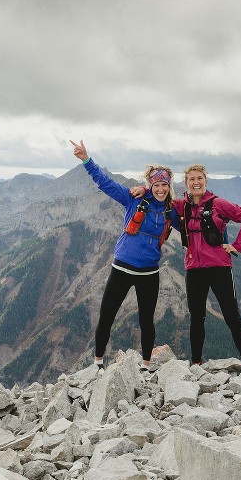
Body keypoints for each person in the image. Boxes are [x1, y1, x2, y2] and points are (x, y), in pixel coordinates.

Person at [70, 139, 178, 373]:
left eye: (164, 186)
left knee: (147, 321)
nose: (160, 190)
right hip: (122, 267)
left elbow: (193, 221)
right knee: (107, 314)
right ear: (150, 185)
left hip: (150, 272)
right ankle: (98, 363)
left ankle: (146, 367)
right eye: (156, 185)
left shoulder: (172, 210)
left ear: (170, 187)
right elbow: (106, 184)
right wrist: (87, 160)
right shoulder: (134, 198)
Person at [173, 164, 241, 386]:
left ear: (205, 181)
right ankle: (196, 365)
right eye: (191, 179)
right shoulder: (181, 206)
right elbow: (158, 197)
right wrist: (142, 190)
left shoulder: (218, 204)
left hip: (219, 267)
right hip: (194, 269)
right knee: (197, 318)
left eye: (199, 178)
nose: (195, 182)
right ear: (186, 183)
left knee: (232, 316)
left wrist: (237, 246)